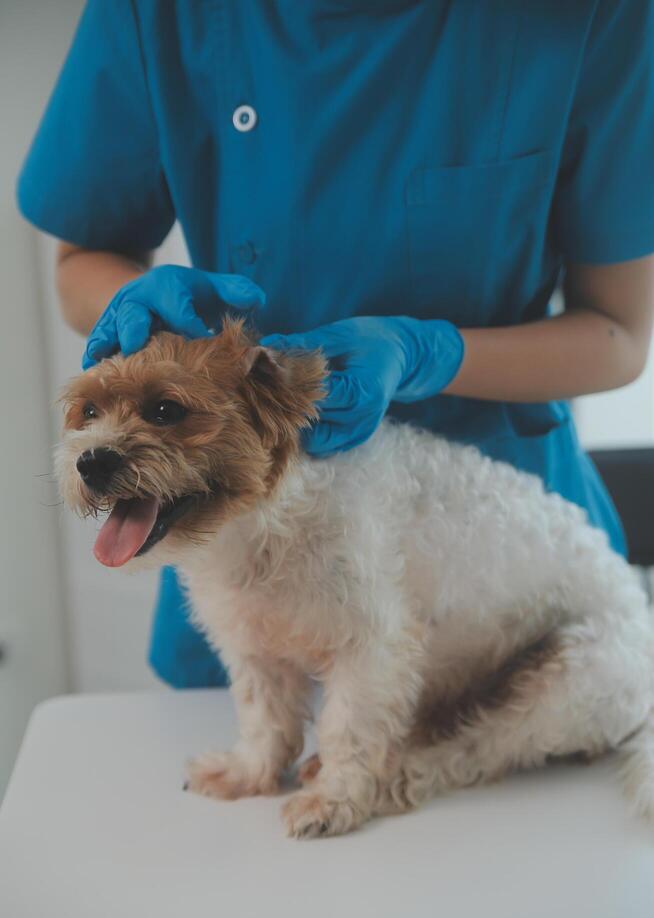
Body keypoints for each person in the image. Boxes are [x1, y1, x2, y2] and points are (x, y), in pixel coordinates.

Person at [18, 0, 654, 688]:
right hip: (246, 545)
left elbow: (618, 335)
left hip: (499, 574)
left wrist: (430, 352)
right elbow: (81, 258)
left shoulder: (591, 16)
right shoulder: (160, 12)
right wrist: (133, 308)